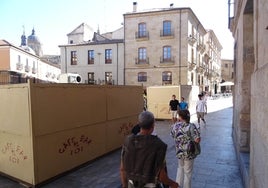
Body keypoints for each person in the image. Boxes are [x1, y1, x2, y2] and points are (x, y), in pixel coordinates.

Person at [120, 111, 179, 188]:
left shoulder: (128, 141)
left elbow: (122, 169)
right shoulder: (159, 145)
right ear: (153, 125)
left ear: (139, 124)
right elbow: (161, 175)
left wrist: (125, 186)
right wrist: (173, 184)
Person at [170, 109, 201, 188]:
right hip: (189, 153)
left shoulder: (175, 126)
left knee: (180, 169)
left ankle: (177, 186)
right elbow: (197, 139)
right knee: (188, 172)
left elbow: (172, 135)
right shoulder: (191, 126)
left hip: (179, 152)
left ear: (180, 117)